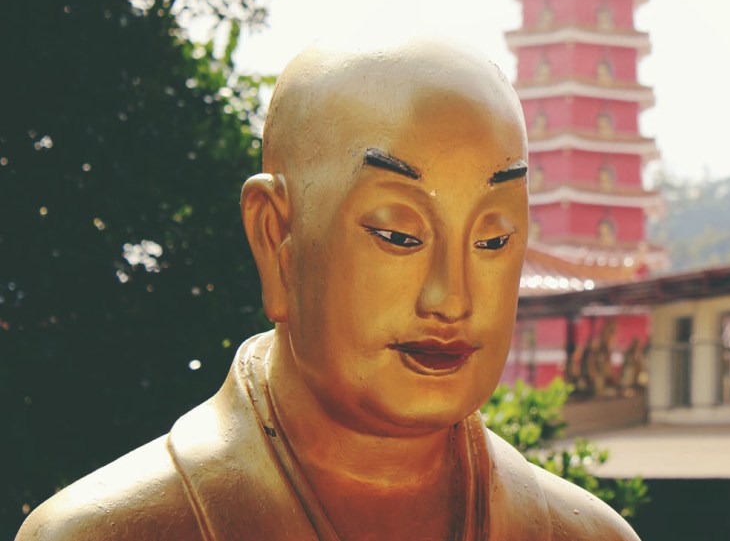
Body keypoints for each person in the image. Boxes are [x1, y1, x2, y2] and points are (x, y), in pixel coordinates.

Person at [17, 39, 640, 541]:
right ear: (275, 237)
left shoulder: (580, 534)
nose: (451, 299)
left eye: (494, 240)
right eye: (398, 235)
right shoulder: (106, 532)